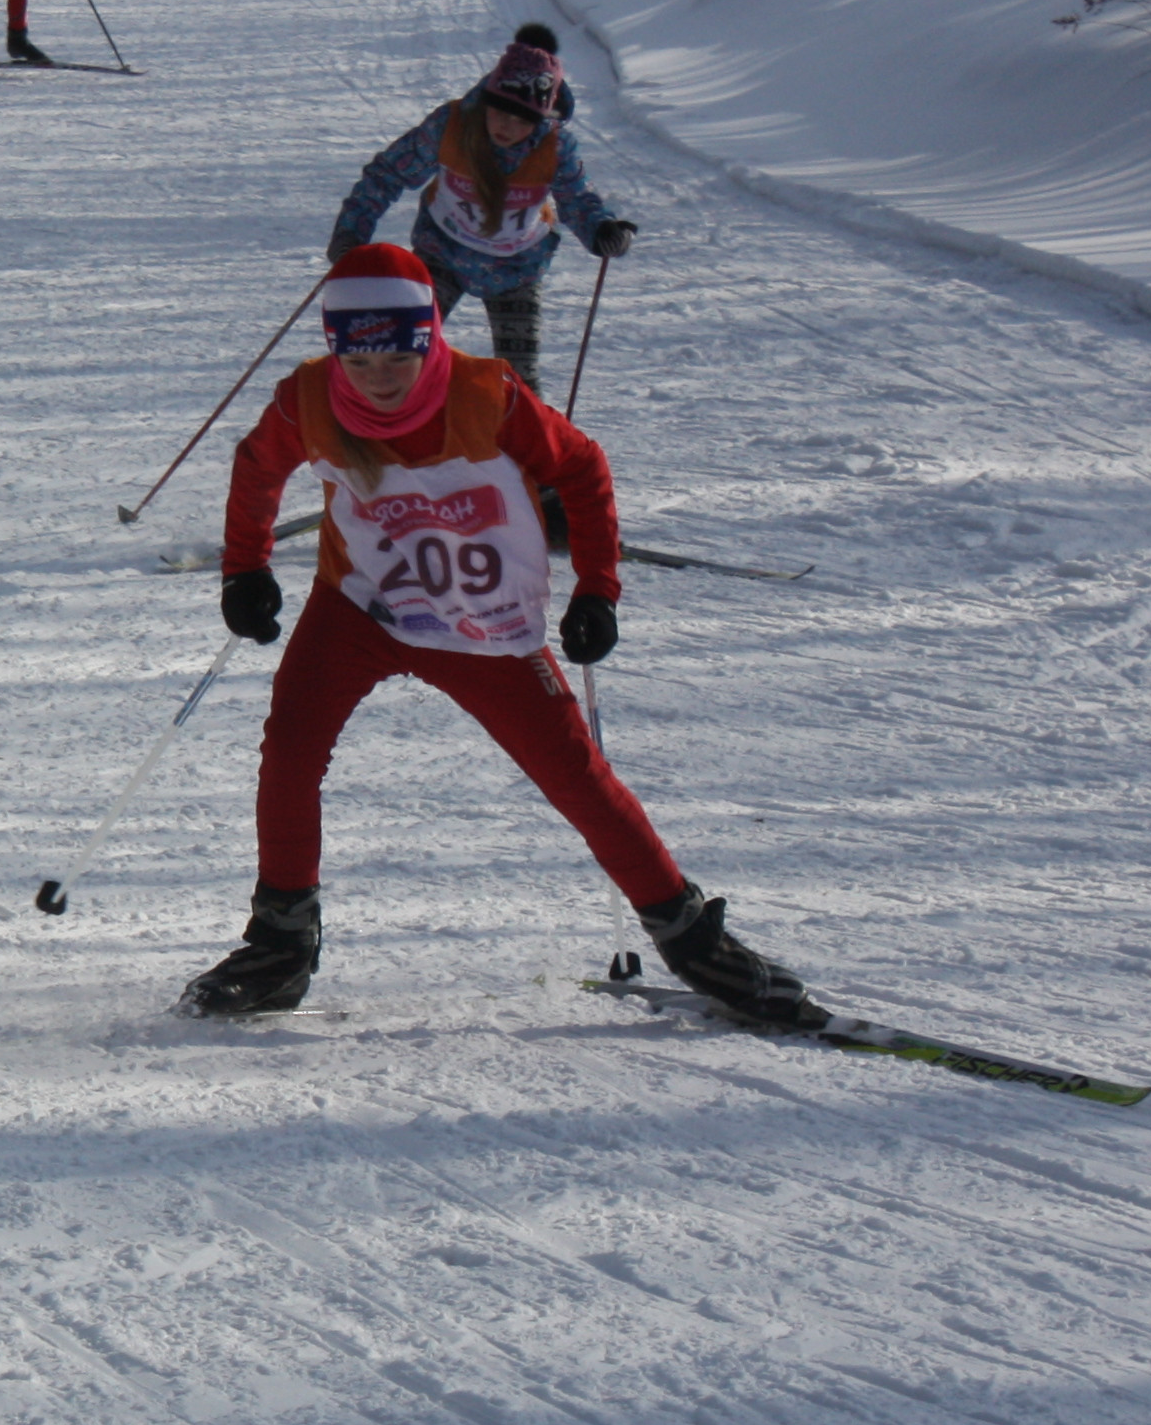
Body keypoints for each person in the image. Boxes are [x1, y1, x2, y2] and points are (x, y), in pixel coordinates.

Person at [183, 244, 816, 1028]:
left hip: (481, 624)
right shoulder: (307, 398)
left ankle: (694, 944)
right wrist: (243, 571)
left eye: (399, 351)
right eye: (359, 353)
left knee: (576, 776)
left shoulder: (490, 395)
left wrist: (597, 589)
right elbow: (256, 468)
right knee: (289, 752)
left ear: (429, 339)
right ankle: (279, 946)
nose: (379, 373)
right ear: (336, 347)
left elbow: (583, 471)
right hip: (360, 605)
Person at [331, 23, 639, 364]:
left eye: (522, 119)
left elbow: (576, 198)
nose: (507, 126)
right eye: (499, 111)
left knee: (520, 380)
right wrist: (351, 230)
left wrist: (602, 230)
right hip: (442, 254)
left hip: (518, 266)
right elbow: (387, 174)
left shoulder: (554, 147)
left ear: (540, 120)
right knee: (403, 352)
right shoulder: (451, 125)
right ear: (486, 102)